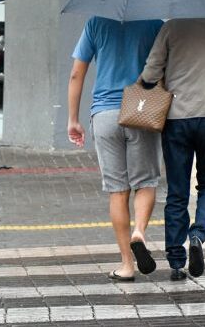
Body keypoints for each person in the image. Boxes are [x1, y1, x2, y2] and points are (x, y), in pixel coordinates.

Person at [141, 17, 205, 281]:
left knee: (177, 191)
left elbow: (150, 73)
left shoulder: (171, 27)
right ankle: (198, 235)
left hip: (177, 117)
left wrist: (151, 83)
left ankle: (175, 262)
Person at [68, 16, 163, 281]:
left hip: (105, 114)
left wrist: (73, 119)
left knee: (117, 191)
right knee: (145, 182)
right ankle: (139, 233)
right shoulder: (154, 23)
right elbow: (166, 66)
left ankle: (126, 265)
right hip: (141, 109)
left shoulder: (96, 23)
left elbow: (77, 73)